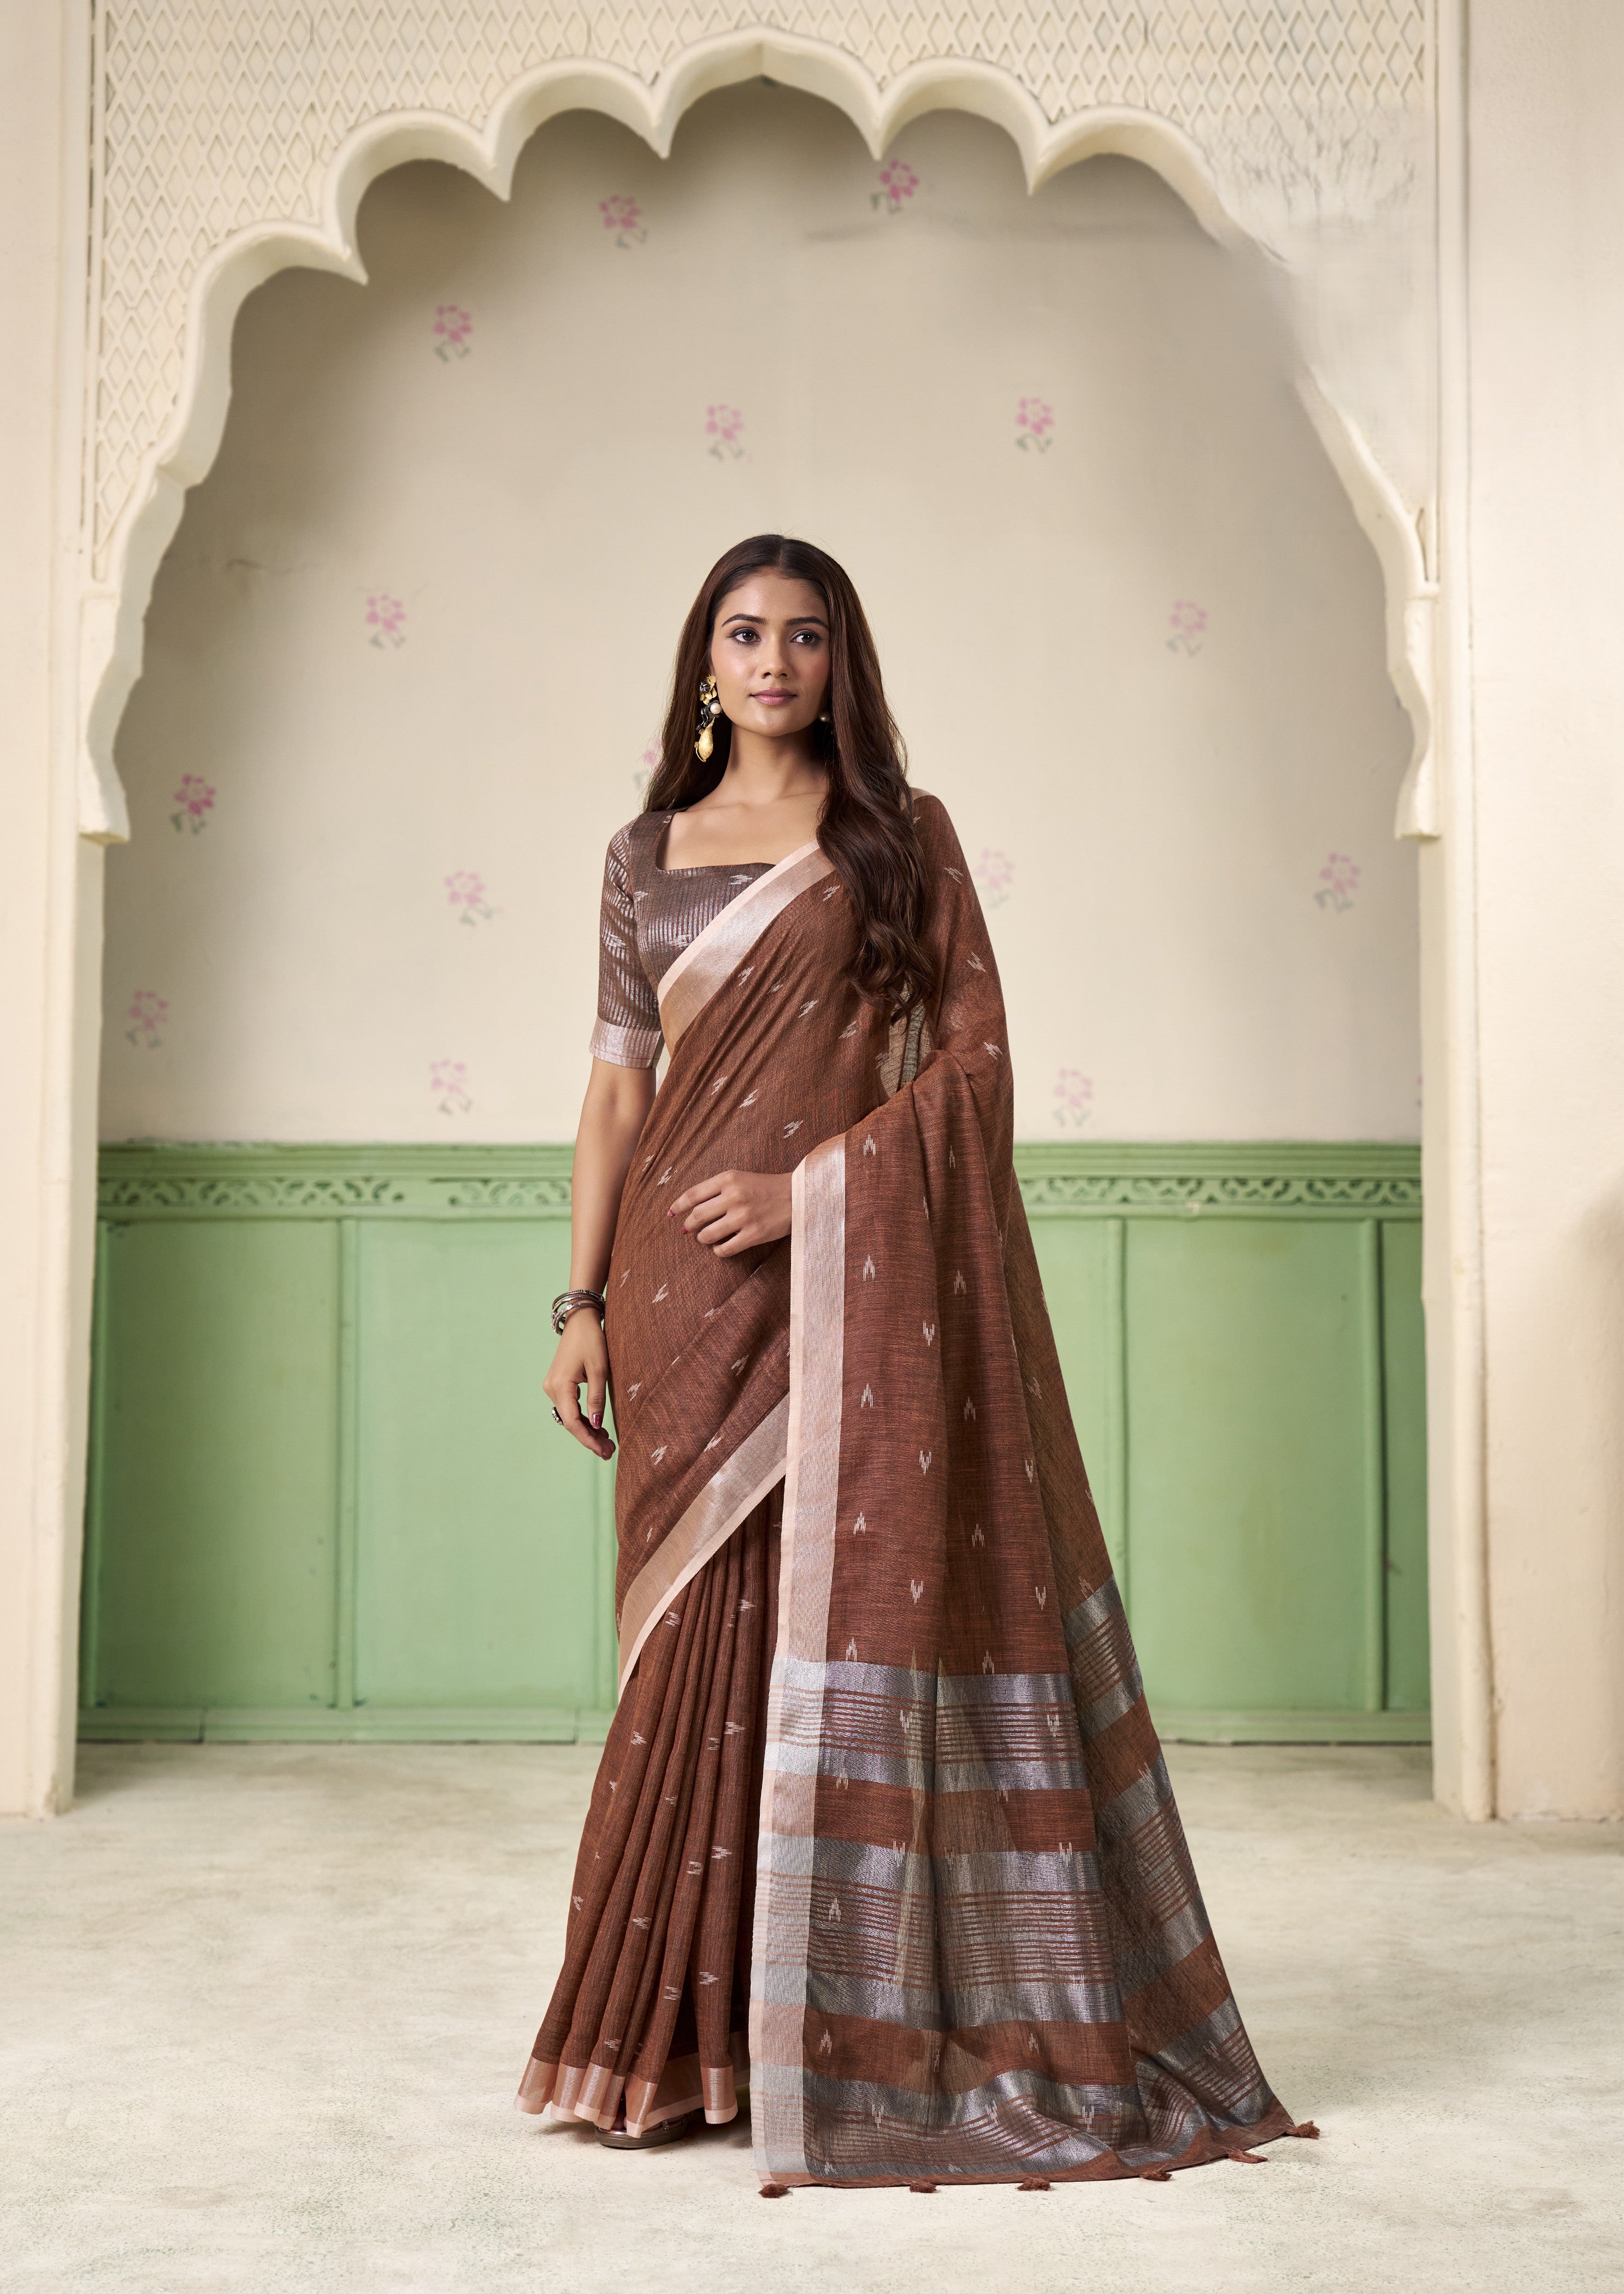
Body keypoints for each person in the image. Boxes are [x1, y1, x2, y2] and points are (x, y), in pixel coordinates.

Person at [516, 534, 1310, 2191]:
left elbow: (976, 1067)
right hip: (677, 1291)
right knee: (690, 1655)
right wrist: (577, 1302)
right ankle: (677, 2041)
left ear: (841, 662)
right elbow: (614, 1089)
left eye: (805, 636)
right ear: (705, 661)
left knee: (829, 1636)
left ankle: (835, 2037)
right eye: (745, 633)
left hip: (839, 1283)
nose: (774, 662)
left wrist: (809, 1194)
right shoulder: (642, 856)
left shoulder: (898, 839)